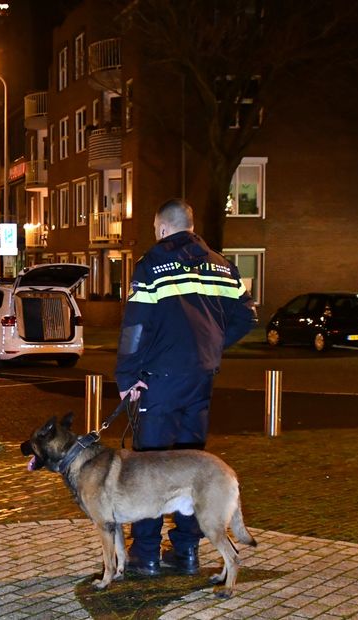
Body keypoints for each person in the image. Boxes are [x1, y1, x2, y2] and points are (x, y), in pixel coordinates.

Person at [115, 199, 255, 577]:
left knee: (149, 470)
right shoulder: (222, 265)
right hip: (200, 381)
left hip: (159, 382)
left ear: (162, 228)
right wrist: (209, 347)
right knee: (192, 467)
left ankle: (145, 555)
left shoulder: (151, 265)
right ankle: (187, 553)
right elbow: (246, 317)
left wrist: (128, 377)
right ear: (190, 226)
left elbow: (135, 328)